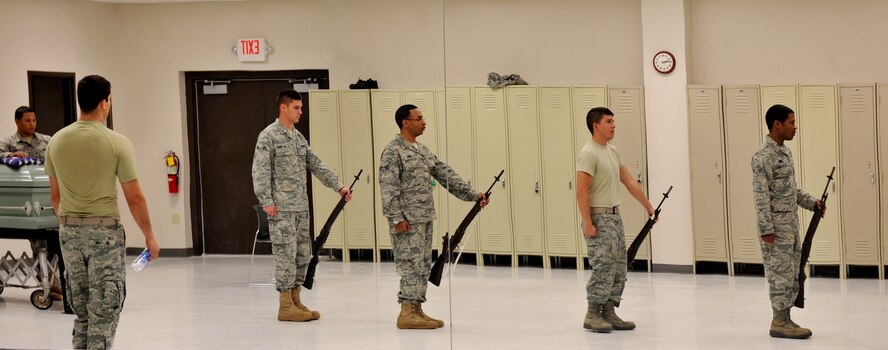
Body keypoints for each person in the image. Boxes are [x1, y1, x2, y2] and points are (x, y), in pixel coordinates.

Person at [46, 75, 160, 349]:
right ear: (104, 102)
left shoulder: (56, 142)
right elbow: (135, 198)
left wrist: (69, 227)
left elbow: (56, 197)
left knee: (82, 313)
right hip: (104, 235)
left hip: (69, 233)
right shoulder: (117, 142)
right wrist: (149, 236)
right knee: (104, 311)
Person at [378, 104, 489, 329]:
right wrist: (396, 219)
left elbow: (445, 174)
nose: (424, 122)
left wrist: (472, 195)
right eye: (419, 118)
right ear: (405, 122)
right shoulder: (393, 151)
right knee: (410, 264)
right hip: (407, 220)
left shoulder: (422, 150)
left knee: (422, 265)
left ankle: (417, 309)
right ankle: (406, 313)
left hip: (424, 217)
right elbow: (388, 188)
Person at [251, 89, 351, 322]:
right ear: (283, 107)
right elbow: (260, 171)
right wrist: (266, 201)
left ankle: (296, 300)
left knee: (302, 255)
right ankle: (285, 306)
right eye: (296, 108)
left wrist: (338, 186)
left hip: (301, 208)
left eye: (301, 108)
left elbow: (315, 163)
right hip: (281, 210)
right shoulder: (268, 136)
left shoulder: (298, 138)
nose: (300, 112)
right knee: (285, 256)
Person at [575, 107, 655, 333]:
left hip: (614, 217)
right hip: (598, 218)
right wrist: (587, 222)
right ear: (596, 125)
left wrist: (648, 206)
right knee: (603, 267)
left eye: (613, 121)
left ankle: (609, 311)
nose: (614, 125)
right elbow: (581, 191)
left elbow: (629, 181)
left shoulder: (612, 151)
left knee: (619, 267)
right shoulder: (589, 153)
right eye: (609, 121)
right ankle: (593, 314)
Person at [752, 104, 822, 339]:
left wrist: (812, 203)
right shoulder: (763, 156)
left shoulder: (785, 153)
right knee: (779, 274)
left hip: (790, 226)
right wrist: (766, 229)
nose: (795, 127)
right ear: (777, 124)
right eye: (791, 122)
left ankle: (786, 318)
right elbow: (761, 197)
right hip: (775, 229)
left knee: (791, 273)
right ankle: (778, 322)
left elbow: (791, 191)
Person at [1, 106, 61, 299]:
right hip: (24, 203)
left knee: (55, 244)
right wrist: (11, 155)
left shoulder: (47, 141)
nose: (32, 124)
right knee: (38, 244)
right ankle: (49, 283)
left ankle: (56, 282)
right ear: (17, 121)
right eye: (27, 120)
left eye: (34, 120)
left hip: (48, 196)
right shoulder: (8, 143)